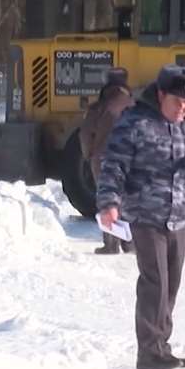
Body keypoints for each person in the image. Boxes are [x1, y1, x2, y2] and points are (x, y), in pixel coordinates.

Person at [96, 65, 185, 369]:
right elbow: (113, 165)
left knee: (171, 284)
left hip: (179, 217)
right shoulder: (135, 123)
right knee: (155, 281)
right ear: (161, 94)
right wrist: (109, 203)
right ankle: (150, 351)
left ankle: (161, 345)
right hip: (145, 214)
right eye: (178, 101)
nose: (184, 107)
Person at [80, 67, 135, 255]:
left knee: (107, 199)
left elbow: (86, 133)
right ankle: (130, 243)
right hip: (131, 160)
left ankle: (111, 244)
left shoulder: (99, 107)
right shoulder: (135, 107)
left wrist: (88, 154)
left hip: (103, 159)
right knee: (128, 199)